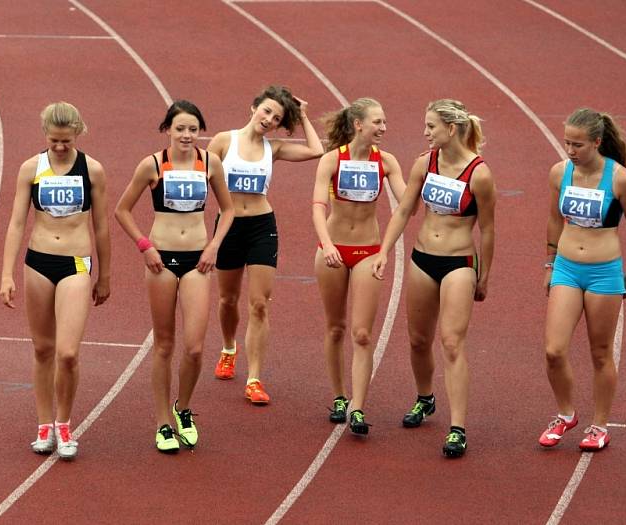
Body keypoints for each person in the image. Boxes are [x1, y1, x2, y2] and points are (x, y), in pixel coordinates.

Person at [372, 99, 496, 457]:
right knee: (417, 340)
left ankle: (458, 428)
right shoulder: (424, 163)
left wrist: (484, 275)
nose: (425, 133)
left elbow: (487, 230)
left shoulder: (479, 174)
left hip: (459, 262)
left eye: (431, 127)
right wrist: (384, 250)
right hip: (423, 259)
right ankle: (425, 398)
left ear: (451, 129)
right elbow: (405, 209)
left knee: (452, 342)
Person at [115, 101, 234, 453]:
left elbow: (228, 210)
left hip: (198, 260)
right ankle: (162, 422)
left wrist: (214, 246)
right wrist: (144, 246)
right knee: (164, 344)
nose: (186, 135)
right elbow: (121, 210)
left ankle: (183, 408)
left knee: (195, 347)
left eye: (193, 129)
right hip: (161, 262)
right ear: (167, 129)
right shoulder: (152, 165)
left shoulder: (209, 163)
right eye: (180, 128)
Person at [0, 101, 111, 460]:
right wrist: (7, 273)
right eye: (53, 141)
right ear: (45, 136)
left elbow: (101, 225)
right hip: (38, 262)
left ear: (77, 133)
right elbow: (17, 221)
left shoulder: (92, 170)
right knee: (43, 349)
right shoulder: (31, 169)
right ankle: (44, 425)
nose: (60, 147)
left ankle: (65, 424)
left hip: (76, 263)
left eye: (65, 141)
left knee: (67, 353)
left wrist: (105, 274)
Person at [207, 85, 324, 404]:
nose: (270, 119)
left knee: (259, 303)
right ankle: (229, 348)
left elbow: (316, 151)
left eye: (277, 117)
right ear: (253, 107)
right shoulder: (223, 141)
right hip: (229, 226)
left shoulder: (275, 148)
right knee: (228, 299)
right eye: (267, 111)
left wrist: (303, 116)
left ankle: (255, 378)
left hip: (261, 226)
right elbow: (200, 173)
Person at [538, 108, 626, 451]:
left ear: (597, 142)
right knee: (554, 350)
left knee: (600, 353)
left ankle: (599, 425)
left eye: (578, 144)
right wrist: (550, 263)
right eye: (567, 142)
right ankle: (566, 414)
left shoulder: (621, 179)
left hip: (604, 272)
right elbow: (554, 219)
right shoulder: (559, 173)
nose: (570, 150)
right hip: (567, 268)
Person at [313, 97, 405, 435]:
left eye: (384, 122)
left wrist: (385, 250)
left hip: (368, 250)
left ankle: (358, 407)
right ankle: (339, 396)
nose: (384, 128)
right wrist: (326, 244)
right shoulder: (331, 160)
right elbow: (317, 207)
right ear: (358, 125)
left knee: (362, 333)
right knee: (336, 327)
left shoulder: (387, 162)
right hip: (333, 251)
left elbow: (405, 205)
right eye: (378, 122)